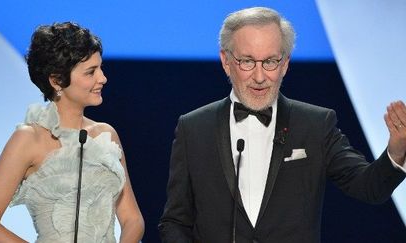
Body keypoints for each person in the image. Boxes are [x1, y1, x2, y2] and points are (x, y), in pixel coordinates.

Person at [158, 7, 406, 243]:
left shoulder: (315, 125)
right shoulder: (194, 128)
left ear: (285, 63)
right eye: (247, 61)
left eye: (270, 62)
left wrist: (396, 152)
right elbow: (174, 222)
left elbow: (369, 187)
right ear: (226, 61)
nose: (259, 76)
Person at [0, 22, 144, 242]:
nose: (102, 78)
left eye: (101, 68)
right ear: (56, 80)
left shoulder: (106, 136)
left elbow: (132, 219)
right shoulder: (28, 139)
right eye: (91, 72)